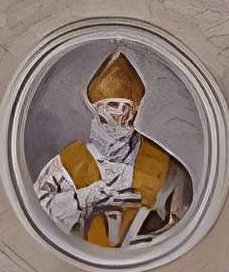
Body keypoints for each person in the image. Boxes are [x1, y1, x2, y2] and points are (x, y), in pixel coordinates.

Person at [34, 49, 195, 248]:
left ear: (135, 110)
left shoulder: (166, 166)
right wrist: (83, 198)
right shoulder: (67, 163)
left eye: (127, 106)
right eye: (112, 104)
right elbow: (37, 215)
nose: (121, 113)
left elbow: (184, 226)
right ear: (97, 107)